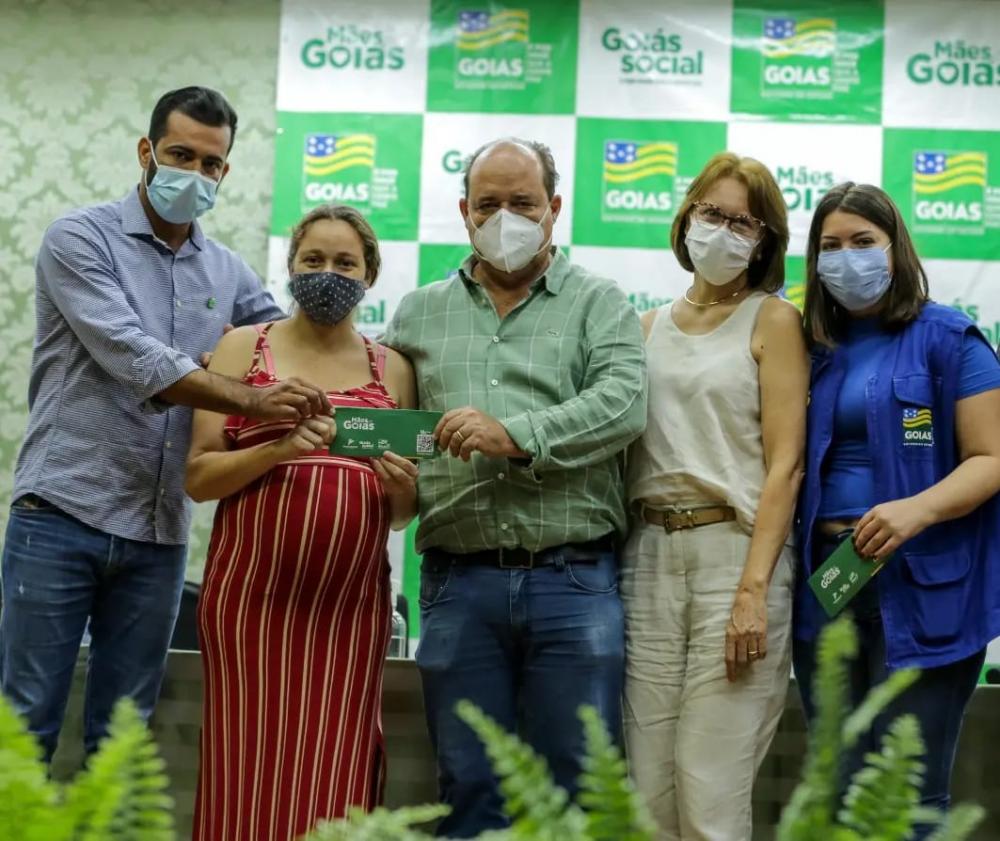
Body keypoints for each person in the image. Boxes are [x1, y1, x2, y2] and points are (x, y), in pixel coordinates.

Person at [0, 86, 329, 763]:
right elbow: (135, 356)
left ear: (225, 170)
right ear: (146, 152)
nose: (195, 173)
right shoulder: (79, 237)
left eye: (211, 163)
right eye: (181, 155)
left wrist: (355, 347)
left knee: (125, 743)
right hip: (60, 514)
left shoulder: (228, 271)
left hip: (159, 532)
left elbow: (281, 346)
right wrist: (249, 395)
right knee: (25, 725)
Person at [384, 138, 646, 838]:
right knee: (468, 781)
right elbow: (391, 423)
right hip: (457, 584)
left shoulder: (600, 301)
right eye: (489, 203)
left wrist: (515, 434)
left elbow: (623, 404)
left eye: (523, 203)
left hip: (574, 579)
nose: (505, 217)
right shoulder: (416, 312)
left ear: (554, 207)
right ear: (464, 211)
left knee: (577, 788)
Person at [185, 204, 417, 841]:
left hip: (349, 611)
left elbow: (401, 515)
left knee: (334, 771)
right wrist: (280, 449)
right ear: (289, 267)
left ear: (369, 276)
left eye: (345, 263)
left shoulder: (393, 368)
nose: (328, 273)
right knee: (243, 765)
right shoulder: (242, 346)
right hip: (249, 604)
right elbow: (199, 477)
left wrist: (403, 492)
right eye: (313, 259)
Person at [794, 182, 1000, 837]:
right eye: (831, 246)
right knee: (837, 789)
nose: (846, 258)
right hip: (827, 583)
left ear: (895, 248)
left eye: (863, 241)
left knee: (905, 793)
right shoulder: (808, 344)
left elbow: (991, 458)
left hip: (924, 587)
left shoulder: (950, 338)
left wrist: (918, 509)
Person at [622, 152, 807, 840]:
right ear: (686, 216)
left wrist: (753, 590)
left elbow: (786, 466)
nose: (724, 231)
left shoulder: (773, 320)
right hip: (646, 556)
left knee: (710, 793)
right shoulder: (645, 326)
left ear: (764, 241)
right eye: (712, 213)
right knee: (645, 796)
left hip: (736, 556)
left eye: (743, 223)